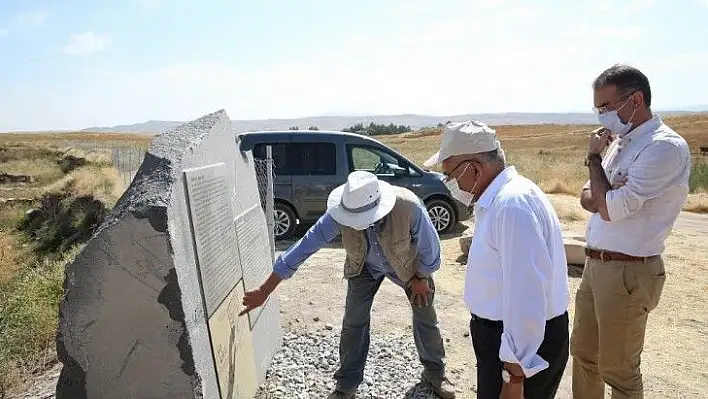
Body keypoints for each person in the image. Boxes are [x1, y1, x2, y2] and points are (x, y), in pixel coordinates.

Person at [239, 170, 456, 399]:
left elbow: (430, 250)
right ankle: (347, 386)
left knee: (425, 315)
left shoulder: (408, 207)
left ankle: (435, 372)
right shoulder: (339, 213)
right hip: (363, 266)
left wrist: (421, 278)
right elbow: (305, 246)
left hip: (409, 268)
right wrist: (265, 290)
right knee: (354, 322)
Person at [423, 120, 571, 399]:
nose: (449, 184)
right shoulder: (500, 198)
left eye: (450, 176)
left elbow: (527, 294)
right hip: (506, 340)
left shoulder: (512, 206)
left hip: (520, 346)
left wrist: (513, 376)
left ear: (473, 168)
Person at [571, 64, 691, 398]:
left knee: (619, 371)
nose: (601, 117)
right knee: (583, 355)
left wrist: (595, 161)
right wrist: (606, 190)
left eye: (606, 107)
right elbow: (587, 199)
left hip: (629, 270)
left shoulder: (663, 147)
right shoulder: (620, 143)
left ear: (636, 99)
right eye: (597, 109)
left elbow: (607, 208)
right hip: (596, 266)